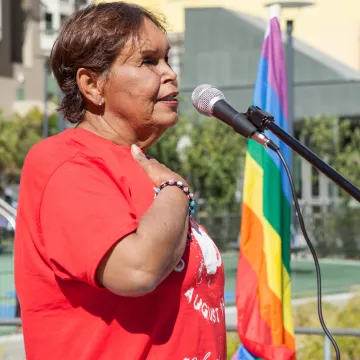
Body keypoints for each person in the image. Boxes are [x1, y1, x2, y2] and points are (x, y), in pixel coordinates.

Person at [14, 2, 226, 359]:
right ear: (92, 84)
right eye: (148, 61)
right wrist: (176, 191)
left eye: (167, 58)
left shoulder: (142, 166)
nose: (171, 73)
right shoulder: (65, 162)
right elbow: (137, 269)